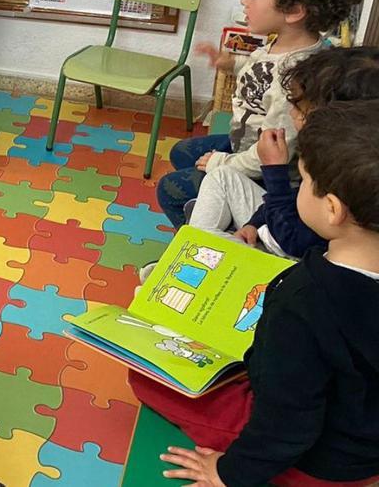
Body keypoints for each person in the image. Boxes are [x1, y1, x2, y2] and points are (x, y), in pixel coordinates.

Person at [141, 101, 379, 487]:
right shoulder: (322, 282)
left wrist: (227, 473)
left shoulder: (304, 300)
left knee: (147, 377)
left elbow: (287, 428)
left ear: (332, 209)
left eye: (302, 181)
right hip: (361, 437)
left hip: (320, 464)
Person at [155, 0, 366, 227]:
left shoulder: (296, 79)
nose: (244, 0)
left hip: (266, 172)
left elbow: (273, 153)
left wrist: (222, 163)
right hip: (245, 142)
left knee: (170, 189)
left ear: (293, 10)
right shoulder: (282, 43)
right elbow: (262, 68)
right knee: (183, 152)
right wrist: (230, 62)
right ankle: (210, 211)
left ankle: (206, 242)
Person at [187, 47, 379, 260]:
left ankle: (197, 248)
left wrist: (274, 170)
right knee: (221, 176)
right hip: (275, 222)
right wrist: (254, 222)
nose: (291, 113)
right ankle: (201, 242)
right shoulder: (333, 151)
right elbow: (291, 200)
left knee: (198, 237)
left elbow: (292, 240)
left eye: (300, 109)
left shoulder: (348, 179)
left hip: (287, 249)